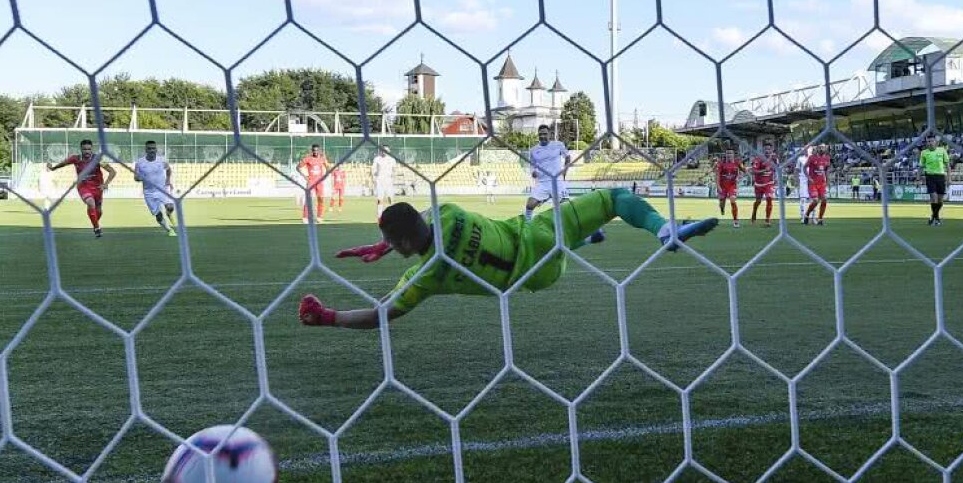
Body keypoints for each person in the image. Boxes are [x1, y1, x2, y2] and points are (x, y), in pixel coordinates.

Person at [297, 190, 718, 328]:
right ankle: (664, 231)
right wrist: (388, 242)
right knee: (614, 198)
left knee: (557, 251)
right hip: (541, 235)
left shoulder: (425, 276)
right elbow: (418, 220)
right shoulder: (448, 212)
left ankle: (585, 240)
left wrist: (329, 316)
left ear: (404, 244)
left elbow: (381, 315)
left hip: (535, 278)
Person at [48, 139, 116, 238]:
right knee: (90, 202)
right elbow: (63, 163)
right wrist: (53, 168)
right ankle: (97, 228)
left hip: (97, 187)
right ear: (81, 149)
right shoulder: (75, 158)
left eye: (89, 149)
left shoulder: (98, 159)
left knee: (99, 211)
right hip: (83, 186)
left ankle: (94, 224)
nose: (87, 151)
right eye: (84, 149)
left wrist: (106, 184)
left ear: (92, 149)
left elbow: (112, 171)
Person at [524, 125, 571, 221]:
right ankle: (528, 224)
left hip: (556, 181)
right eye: (540, 134)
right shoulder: (533, 150)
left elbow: (567, 157)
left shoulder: (558, 145)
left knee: (566, 207)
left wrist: (565, 169)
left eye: (545, 134)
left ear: (550, 134)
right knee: (529, 205)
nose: (542, 136)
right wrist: (533, 172)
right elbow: (532, 164)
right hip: (542, 183)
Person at [134, 140, 176, 236]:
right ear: (146, 150)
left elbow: (169, 169)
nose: (151, 150)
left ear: (156, 149)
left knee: (170, 207)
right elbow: (136, 177)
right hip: (149, 193)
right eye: (149, 148)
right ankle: (169, 230)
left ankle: (169, 214)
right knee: (158, 215)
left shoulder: (162, 160)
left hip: (163, 189)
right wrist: (139, 178)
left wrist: (168, 180)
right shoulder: (140, 163)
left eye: (153, 148)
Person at [919, 134, 950, 226]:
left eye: (931, 141)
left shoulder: (942, 150)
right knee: (934, 197)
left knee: (940, 200)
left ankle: (933, 216)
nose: (930, 143)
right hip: (930, 176)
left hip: (941, 176)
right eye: (928, 141)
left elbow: (948, 166)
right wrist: (918, 179)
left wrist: (949, 179)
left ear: (935, 142)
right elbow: (920, 167)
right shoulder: (924, 153)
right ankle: (937, 219)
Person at [298, 144, 330, 223]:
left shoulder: (322, 158)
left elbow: (328, 167)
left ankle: (319, 217)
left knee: (321, 199)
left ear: (319, 150)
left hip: (319, 182)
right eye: (314, 150)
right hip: (311, 182)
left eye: (317, 150)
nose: (315, 152)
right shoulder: (308, 158)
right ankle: (305, 217)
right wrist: (305, 177)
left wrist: (325, 175)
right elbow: (298, 167)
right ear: (312, 150)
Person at [714, 150, 744, 228]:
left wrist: (739, 177)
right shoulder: (721, 164)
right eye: (727, 153)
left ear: (733, 154)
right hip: (722, 186)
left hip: (732, 186)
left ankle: (736, 221)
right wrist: (718, 186)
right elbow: (717, 176)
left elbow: (744, 171)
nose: (729, 155)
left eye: (730, 153)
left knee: (733, 200)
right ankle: (722, 208)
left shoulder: (737, 163)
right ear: (725, 154)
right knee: (721, 203)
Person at [749, 143, 777, 227]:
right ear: (763, 150)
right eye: (766, 149)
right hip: (759, 184)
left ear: (772, 150)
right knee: (758, 201)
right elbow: (753, 171)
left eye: (769, 149)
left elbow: (776, 169)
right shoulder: (758, 159)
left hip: (769, 183)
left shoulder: (775, 159)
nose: (767, 151)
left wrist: (776, 178)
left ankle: (767, 220)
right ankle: (754, 213)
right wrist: (764, 170)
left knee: (769, 198)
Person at [803, 145, 831, 225]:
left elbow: (827, 170)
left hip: (822, 183)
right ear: (817, 149)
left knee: (824, 199)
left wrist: (828, 180)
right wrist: (809, 178)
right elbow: (804, 168)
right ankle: (807, 214)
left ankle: (820, 219)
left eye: (823, 147)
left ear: (825, 149)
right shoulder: (812, 157)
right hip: (813, 183)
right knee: (815, 200)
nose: (822, 149)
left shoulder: (827, 158)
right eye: (820, 147)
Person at [371, 149, 396, 222]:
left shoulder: (392, 160)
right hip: (380, 182)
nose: (384, 152)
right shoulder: (377, 159)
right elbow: (373, 170)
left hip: (388, 182)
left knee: (390, 199)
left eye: (386, 150)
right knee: (380, 199)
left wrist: (393, 177)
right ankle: (379, 216)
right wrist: (376, 174)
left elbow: (394, 170)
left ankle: (392, 215)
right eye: (383, 150)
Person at [794, 146, 811, 221]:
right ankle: (803, 216)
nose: (807, 151)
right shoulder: (800, 159)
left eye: (808, 149)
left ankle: (812, 216)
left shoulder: (813, 158)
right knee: (803, 199)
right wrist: (796, 180)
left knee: (813, 199)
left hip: (812, 180)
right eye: (805, 149)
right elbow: (797, 170)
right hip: (803, 179)